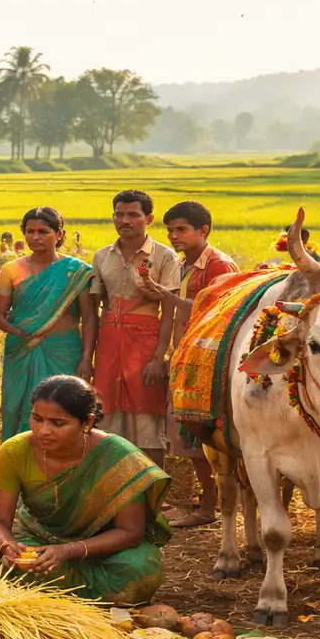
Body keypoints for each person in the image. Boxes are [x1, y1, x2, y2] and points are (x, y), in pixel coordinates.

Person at [0, 375, 170, 604]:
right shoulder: (14, 451)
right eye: (37, 419)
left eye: (57, 423)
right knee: (16, 571)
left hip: (102, 548)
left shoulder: (116, 456)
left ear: (88, 423)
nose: (43, 431)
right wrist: (9, 548)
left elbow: (130, 532)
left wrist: (69, 551)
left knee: (140, 569)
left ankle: (56, 598)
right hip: (39, 541)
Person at [141, 200, 239, 527]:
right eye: (169, 230)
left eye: (181, 229)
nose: (173, 236)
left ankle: (210, 507)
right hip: (188, 356)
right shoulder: (184, 264)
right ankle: (210, 501)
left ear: (203, 230)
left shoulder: (219, 266)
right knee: (192, 434)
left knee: (203, 434)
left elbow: (216, 313)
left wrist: (161, 293)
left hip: (209, 360)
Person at [89, 190, 181, 467]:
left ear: (148, 218)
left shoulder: (165, 257)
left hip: (145, 342)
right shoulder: (102, 256)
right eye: (119, 214)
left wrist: (159, 357)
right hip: (108, 341)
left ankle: (151, 492)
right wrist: (87, 356)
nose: (124, 220)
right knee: (105, 414)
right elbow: (93, 310)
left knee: (148, 417)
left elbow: (169, 312)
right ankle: (108, 487)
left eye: (133, 214)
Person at [0, 207, 97, 439]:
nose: (35, 237)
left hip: (64, 350)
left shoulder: (77, 272)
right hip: (21, 350)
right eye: (29, 231)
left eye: (43, 231)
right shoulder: (10, 269)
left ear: (59, 235)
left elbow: (89, 317)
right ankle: (20, 464)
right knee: (16, 408)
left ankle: (62, 468)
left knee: (64, 407)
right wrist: (18, 332)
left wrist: (87, 357)